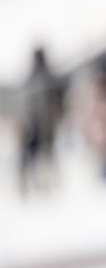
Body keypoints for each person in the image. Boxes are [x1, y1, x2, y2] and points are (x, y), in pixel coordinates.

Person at [18, 47, 63, 196]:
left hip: (41, 126)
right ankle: (42, 186)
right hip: (42, 126)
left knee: (44, 156)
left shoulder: (38, 78)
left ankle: (47, 186)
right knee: (43, 156)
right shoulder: (43, 77)